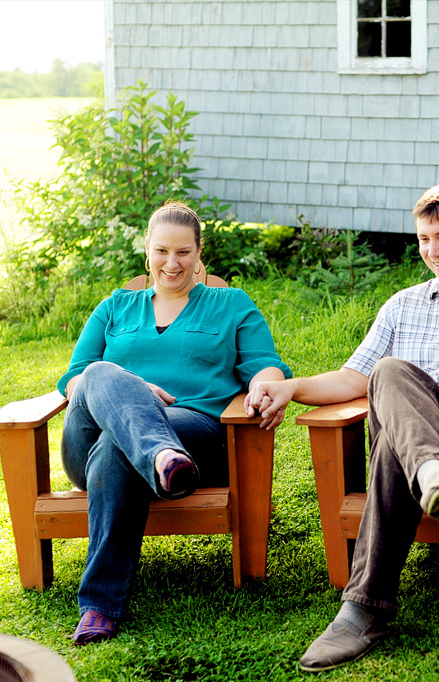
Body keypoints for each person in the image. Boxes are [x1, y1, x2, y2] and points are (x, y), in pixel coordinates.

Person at [248, 184, 439, 671]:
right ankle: (432, 475)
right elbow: (354, 377)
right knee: (388, 373)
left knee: (396, 420)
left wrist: (427, 403)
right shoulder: (402, 305)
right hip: (426, 458)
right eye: (424, 239)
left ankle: (363, 611)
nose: (434, 250)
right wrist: (292, 386)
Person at [58, 200, 291, 645]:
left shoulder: (231, 305)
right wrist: (133, 392)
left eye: (183, 252)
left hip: (194, 433)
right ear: (147, 250)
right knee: (100, 373)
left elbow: (264, 363)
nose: (172, 263)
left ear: (200, 254)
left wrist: (265, 386)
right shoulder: (114, 308)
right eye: (162, 251)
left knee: (116, 447)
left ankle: (99, 608)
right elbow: (75, 377)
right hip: (87, 442)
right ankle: (159, 454)